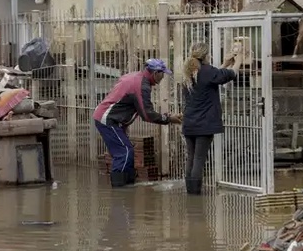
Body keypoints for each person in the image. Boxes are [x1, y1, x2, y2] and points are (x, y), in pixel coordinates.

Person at [93, 59, 182, 188]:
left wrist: (167, 116)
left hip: (112, 119)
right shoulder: (141, 85)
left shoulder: (135, 77)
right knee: (124, 152)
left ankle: (128, 186)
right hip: (108, 120)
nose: (163, 78)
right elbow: (147, 115)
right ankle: (119, 192)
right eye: (162, 74)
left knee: (127, 152)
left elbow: (138, 108)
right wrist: (169, 119)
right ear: (155, 73)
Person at [181, 43, 242, 195]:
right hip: (204, 123)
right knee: (199, 158)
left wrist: (226, 63)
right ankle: (195, 194)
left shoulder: (188, 71)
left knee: (191, 157)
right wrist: (239, 60)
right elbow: (230, 75)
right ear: (206, 55)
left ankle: (190, 193)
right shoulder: (207, 71)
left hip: (189, 123)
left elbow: (213, 77)